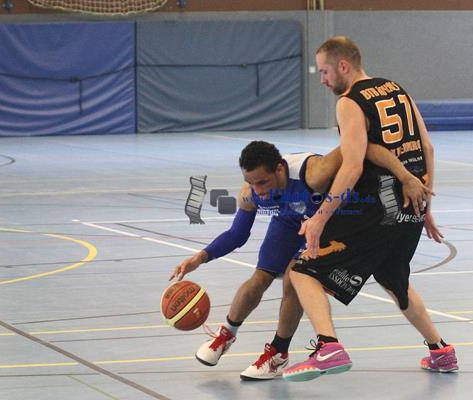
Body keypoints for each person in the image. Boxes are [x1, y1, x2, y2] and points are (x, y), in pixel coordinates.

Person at [169, 140, 431, 381]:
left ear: (280, 169)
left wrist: (406, 176)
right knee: (259, 278)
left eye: (263, 182)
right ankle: (227, 334)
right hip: (290, 220)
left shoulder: (314, 172)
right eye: (251, 183)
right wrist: (200, 257)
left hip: (328, 221)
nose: (258, 191)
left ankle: (278, 353)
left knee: (294, 279)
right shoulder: (250, 192)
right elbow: (237, 234)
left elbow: (360, 145)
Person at [282, 36, 458, 382]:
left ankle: (328, 346)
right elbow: (428, 148)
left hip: (378, 207)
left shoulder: (350, 101)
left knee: (302, 270)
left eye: (325, 71)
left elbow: (352, 167)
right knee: (394, 279)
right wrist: (425, 204)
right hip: (410, 207)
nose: (322, 80)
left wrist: (320, 217)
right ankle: (441, 351)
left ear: (343, 66)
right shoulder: (398, 89)